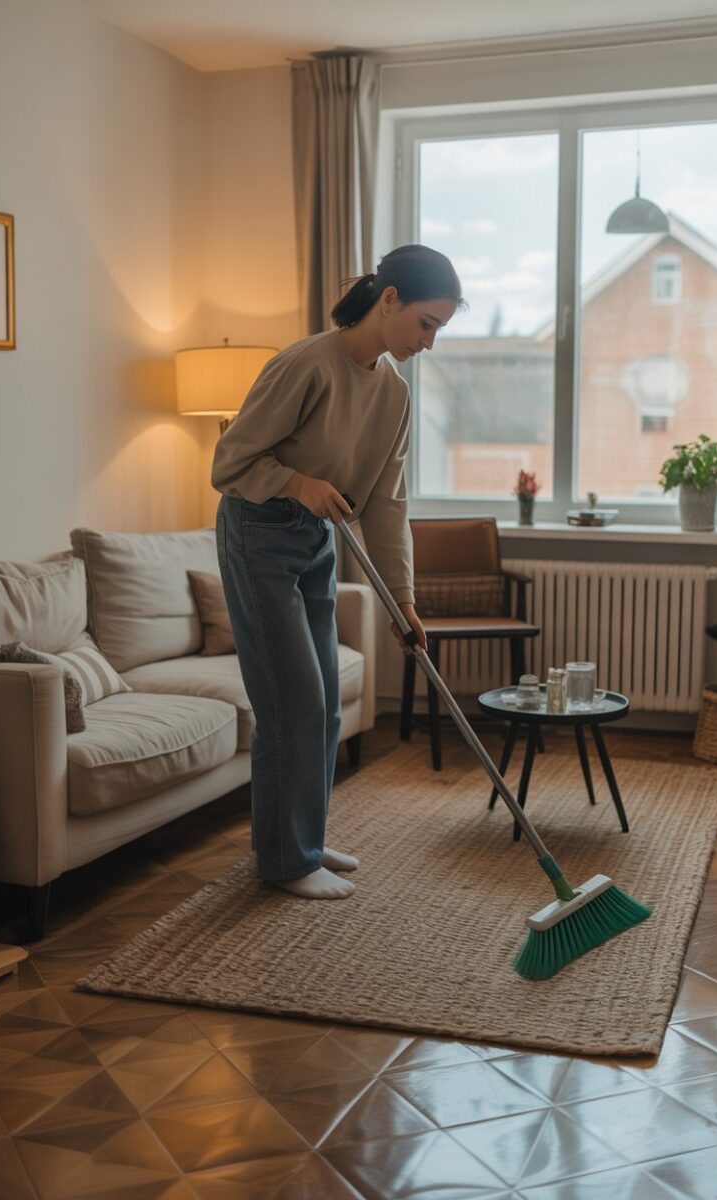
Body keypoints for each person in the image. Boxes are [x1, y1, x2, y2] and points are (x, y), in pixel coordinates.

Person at [211, 244, 465, 899]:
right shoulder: (303, 364)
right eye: (426, 323)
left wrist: (402, 603)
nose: (429, 342)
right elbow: (231, 464)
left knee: (322, 707)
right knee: (292, 704)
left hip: (318, 542)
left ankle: (307, 840)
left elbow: (387, 502)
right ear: (389, 301)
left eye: (440, 328)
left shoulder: (394, 393)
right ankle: (285, 862)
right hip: (258, 536)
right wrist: (298, 482)